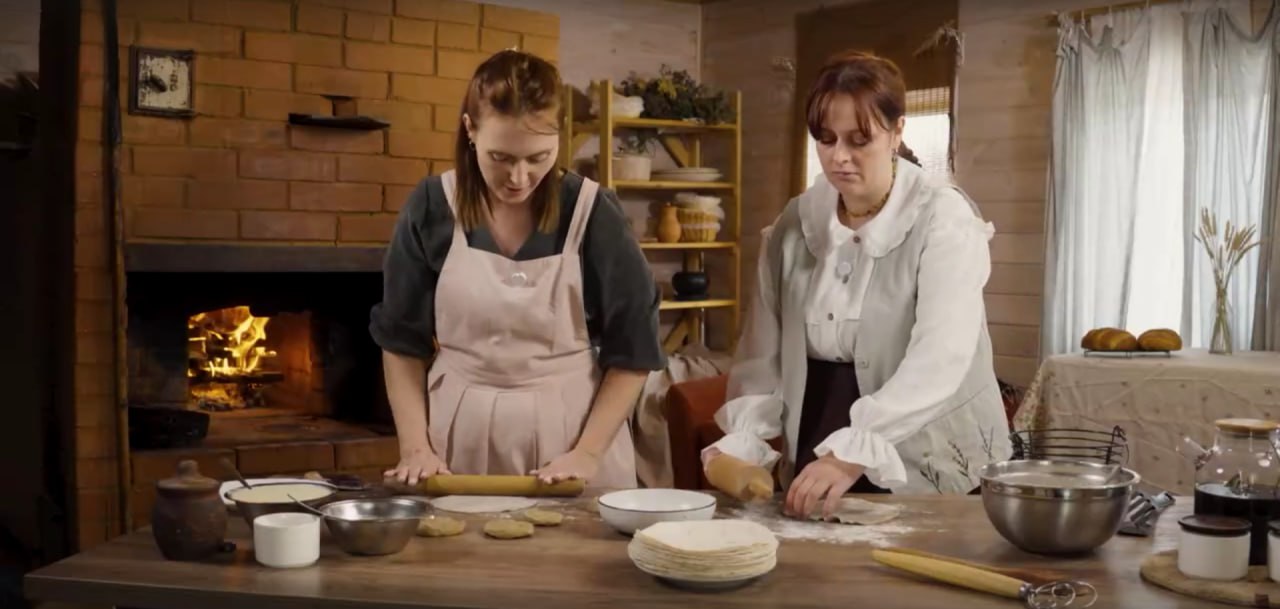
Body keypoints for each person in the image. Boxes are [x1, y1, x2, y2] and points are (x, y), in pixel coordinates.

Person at [702, 50, 1012, 519]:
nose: (839, 157)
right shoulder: (795, 224)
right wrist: (745, 440)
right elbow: (763, 355)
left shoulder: (942, 219)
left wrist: (856, 450)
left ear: (897, 131)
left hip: (926, 444)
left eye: (859, 139)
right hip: (819, 437)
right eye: (825, 139)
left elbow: (942, 356)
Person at [370, 50, 666, 489]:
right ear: (470, 130)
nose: (520, 177)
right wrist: (415, 448)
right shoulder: (432, 206)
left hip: (574, 440)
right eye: (501, 157)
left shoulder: (593, 213)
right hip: (457, 441)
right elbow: (401, 342)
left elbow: (634, 350)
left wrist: (587, 453)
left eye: (538, 157)